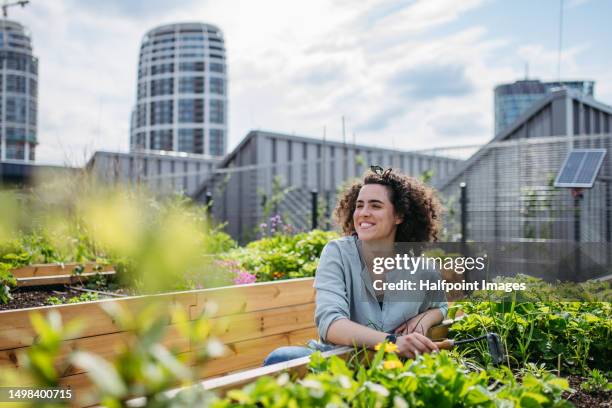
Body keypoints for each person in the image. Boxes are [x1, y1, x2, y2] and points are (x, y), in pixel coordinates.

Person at [262, 166, 447, 366]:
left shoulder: (421, 269)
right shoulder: (337, 253)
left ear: (399, 216)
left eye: (375, 206)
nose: (363, 213)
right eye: (359, 205)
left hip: (393, 369)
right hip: (340, 362)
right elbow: (330, 324)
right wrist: (392, 343)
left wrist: (425, 319)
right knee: (280, 358)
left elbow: (441, 306)